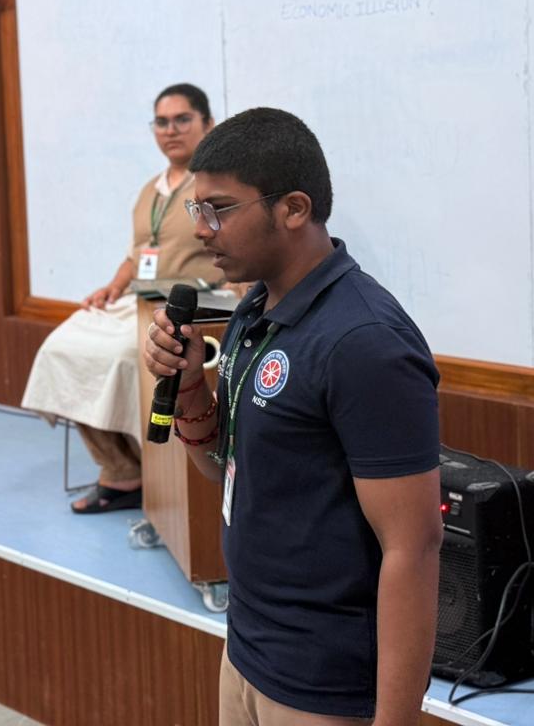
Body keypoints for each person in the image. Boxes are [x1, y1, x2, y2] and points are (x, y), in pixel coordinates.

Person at [144, 108, 441, 726]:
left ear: (294, 208)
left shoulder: (363, 341)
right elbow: (226, 469)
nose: (200, 229)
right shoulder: (255, 310)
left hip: (323, 686)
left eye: (218, 209)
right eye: (197, 209)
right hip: (247, 651)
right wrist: (191, 389)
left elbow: (413, 548)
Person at [21, 83, 220, 513]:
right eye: (161, 122)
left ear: (208, 123)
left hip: (190, 306)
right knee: (62, 347)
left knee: (119, 355)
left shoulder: (215, 185)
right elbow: (138, 254)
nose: (170, 130)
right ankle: (121, 466)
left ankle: (143, 472)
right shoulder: (151, 190)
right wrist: (113, 286)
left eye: (182, 120)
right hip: (139, 299)